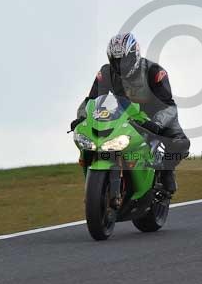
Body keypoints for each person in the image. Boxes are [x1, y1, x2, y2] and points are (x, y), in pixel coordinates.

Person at [71, 32, 190, 194]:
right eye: (116, 61)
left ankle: (166, 171)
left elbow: (169, 106)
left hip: (156, 115)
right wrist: (81, 117)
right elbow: (91, 100)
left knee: (180, 143)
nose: (120, 65)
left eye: (124, 60)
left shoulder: (154, 72)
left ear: (135, 56)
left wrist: (156, 123)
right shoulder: (106, 73)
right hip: (126, 113)